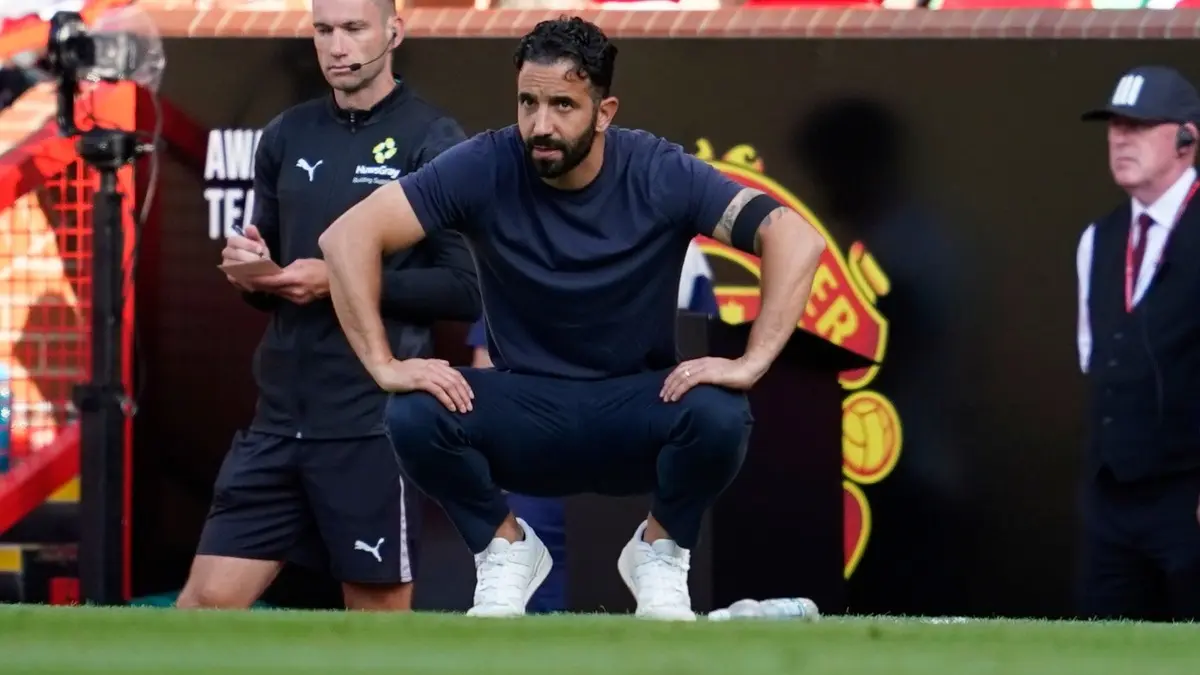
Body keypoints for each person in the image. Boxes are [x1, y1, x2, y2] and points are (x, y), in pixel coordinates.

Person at [317, 16, 825, 620]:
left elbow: (793, 236)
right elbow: (348, 238)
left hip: (635, 409)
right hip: (527, 410)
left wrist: (751, 361)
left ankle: (660, 551)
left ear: (604, 111)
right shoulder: (484, 163)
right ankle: (504, 550)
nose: (541, 125)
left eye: (563, 104)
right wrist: (384, 364)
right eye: (528, 102)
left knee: (720, 409)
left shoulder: (659, 170)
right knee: (412, 410)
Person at [176, 0, 480, 612]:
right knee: (204, 609)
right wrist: (252, 273)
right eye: (323, 31)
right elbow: (274, 280)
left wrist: (341, 279)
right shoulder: (285, 134)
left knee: (374, 618)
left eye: (352, 29)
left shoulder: (433, 137)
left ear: (394, 31)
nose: (336, 46)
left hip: (369, 423)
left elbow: (462, 287)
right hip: (278, 416)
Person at [464, 239, 720, 614]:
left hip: (638, 448)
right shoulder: (525, 238)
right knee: (533, 593)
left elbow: (701, 346)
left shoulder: (682, 245)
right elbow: (486, 354)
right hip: (540, 445)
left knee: (642, 591)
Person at [1075, 65, 1200, 622]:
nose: (1120, 137)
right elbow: (1095, 356)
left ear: (1186, 138)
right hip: (1114, 500)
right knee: (1105, 646)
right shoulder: (1098, 239)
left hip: (1188, 494)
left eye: (1140, 125)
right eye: (1114, 125)